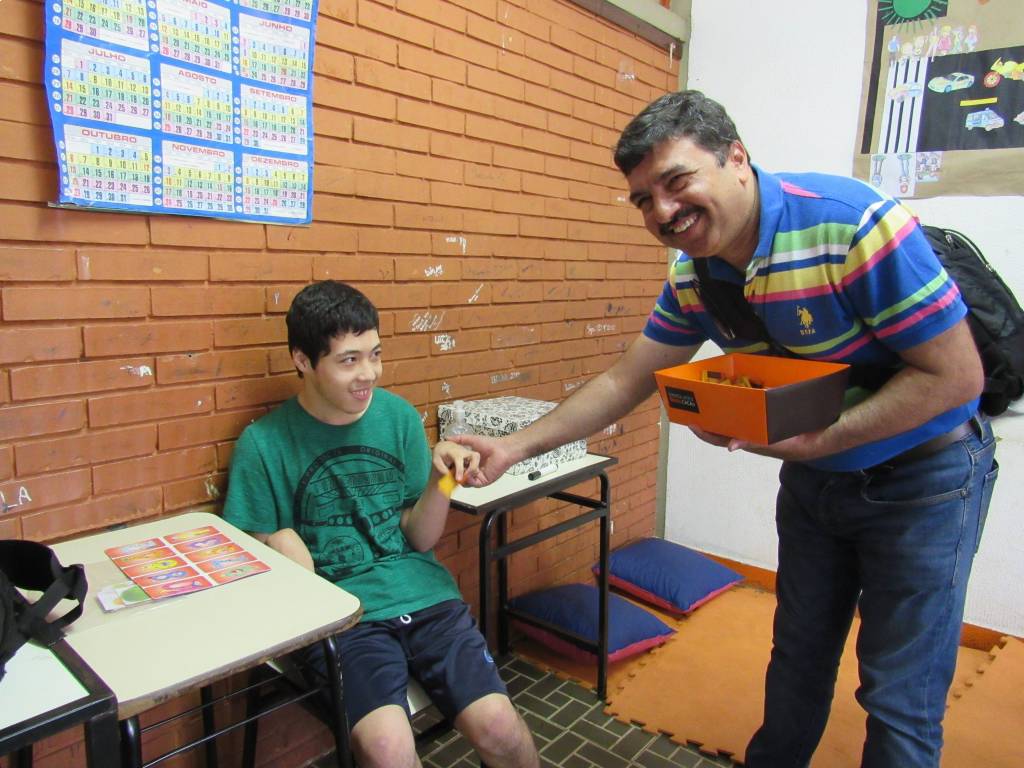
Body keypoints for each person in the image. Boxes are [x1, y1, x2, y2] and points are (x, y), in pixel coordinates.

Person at [454, 90, 998, 768]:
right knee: (797, 657)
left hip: (926, 479)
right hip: (817, 481)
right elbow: (626, 380)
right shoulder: (694, 276)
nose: (662, 212)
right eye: (643, 200)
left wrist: (818, 442)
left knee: (898, 695)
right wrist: (512, 448)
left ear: (736, 158)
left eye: (676, 181)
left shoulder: (851, 225)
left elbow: (956, 377)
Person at [222, 280, 539, 768]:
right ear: (303, 360)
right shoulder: (264, 444)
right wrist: (278, 545)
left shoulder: (398, 418)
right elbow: (244, 556)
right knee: (388, 749)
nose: (367, 373)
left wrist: (442, 481)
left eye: (375, 355)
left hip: (425, 598)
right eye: (349, 360)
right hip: (346, 617)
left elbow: (419, 536)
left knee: (501, 727)